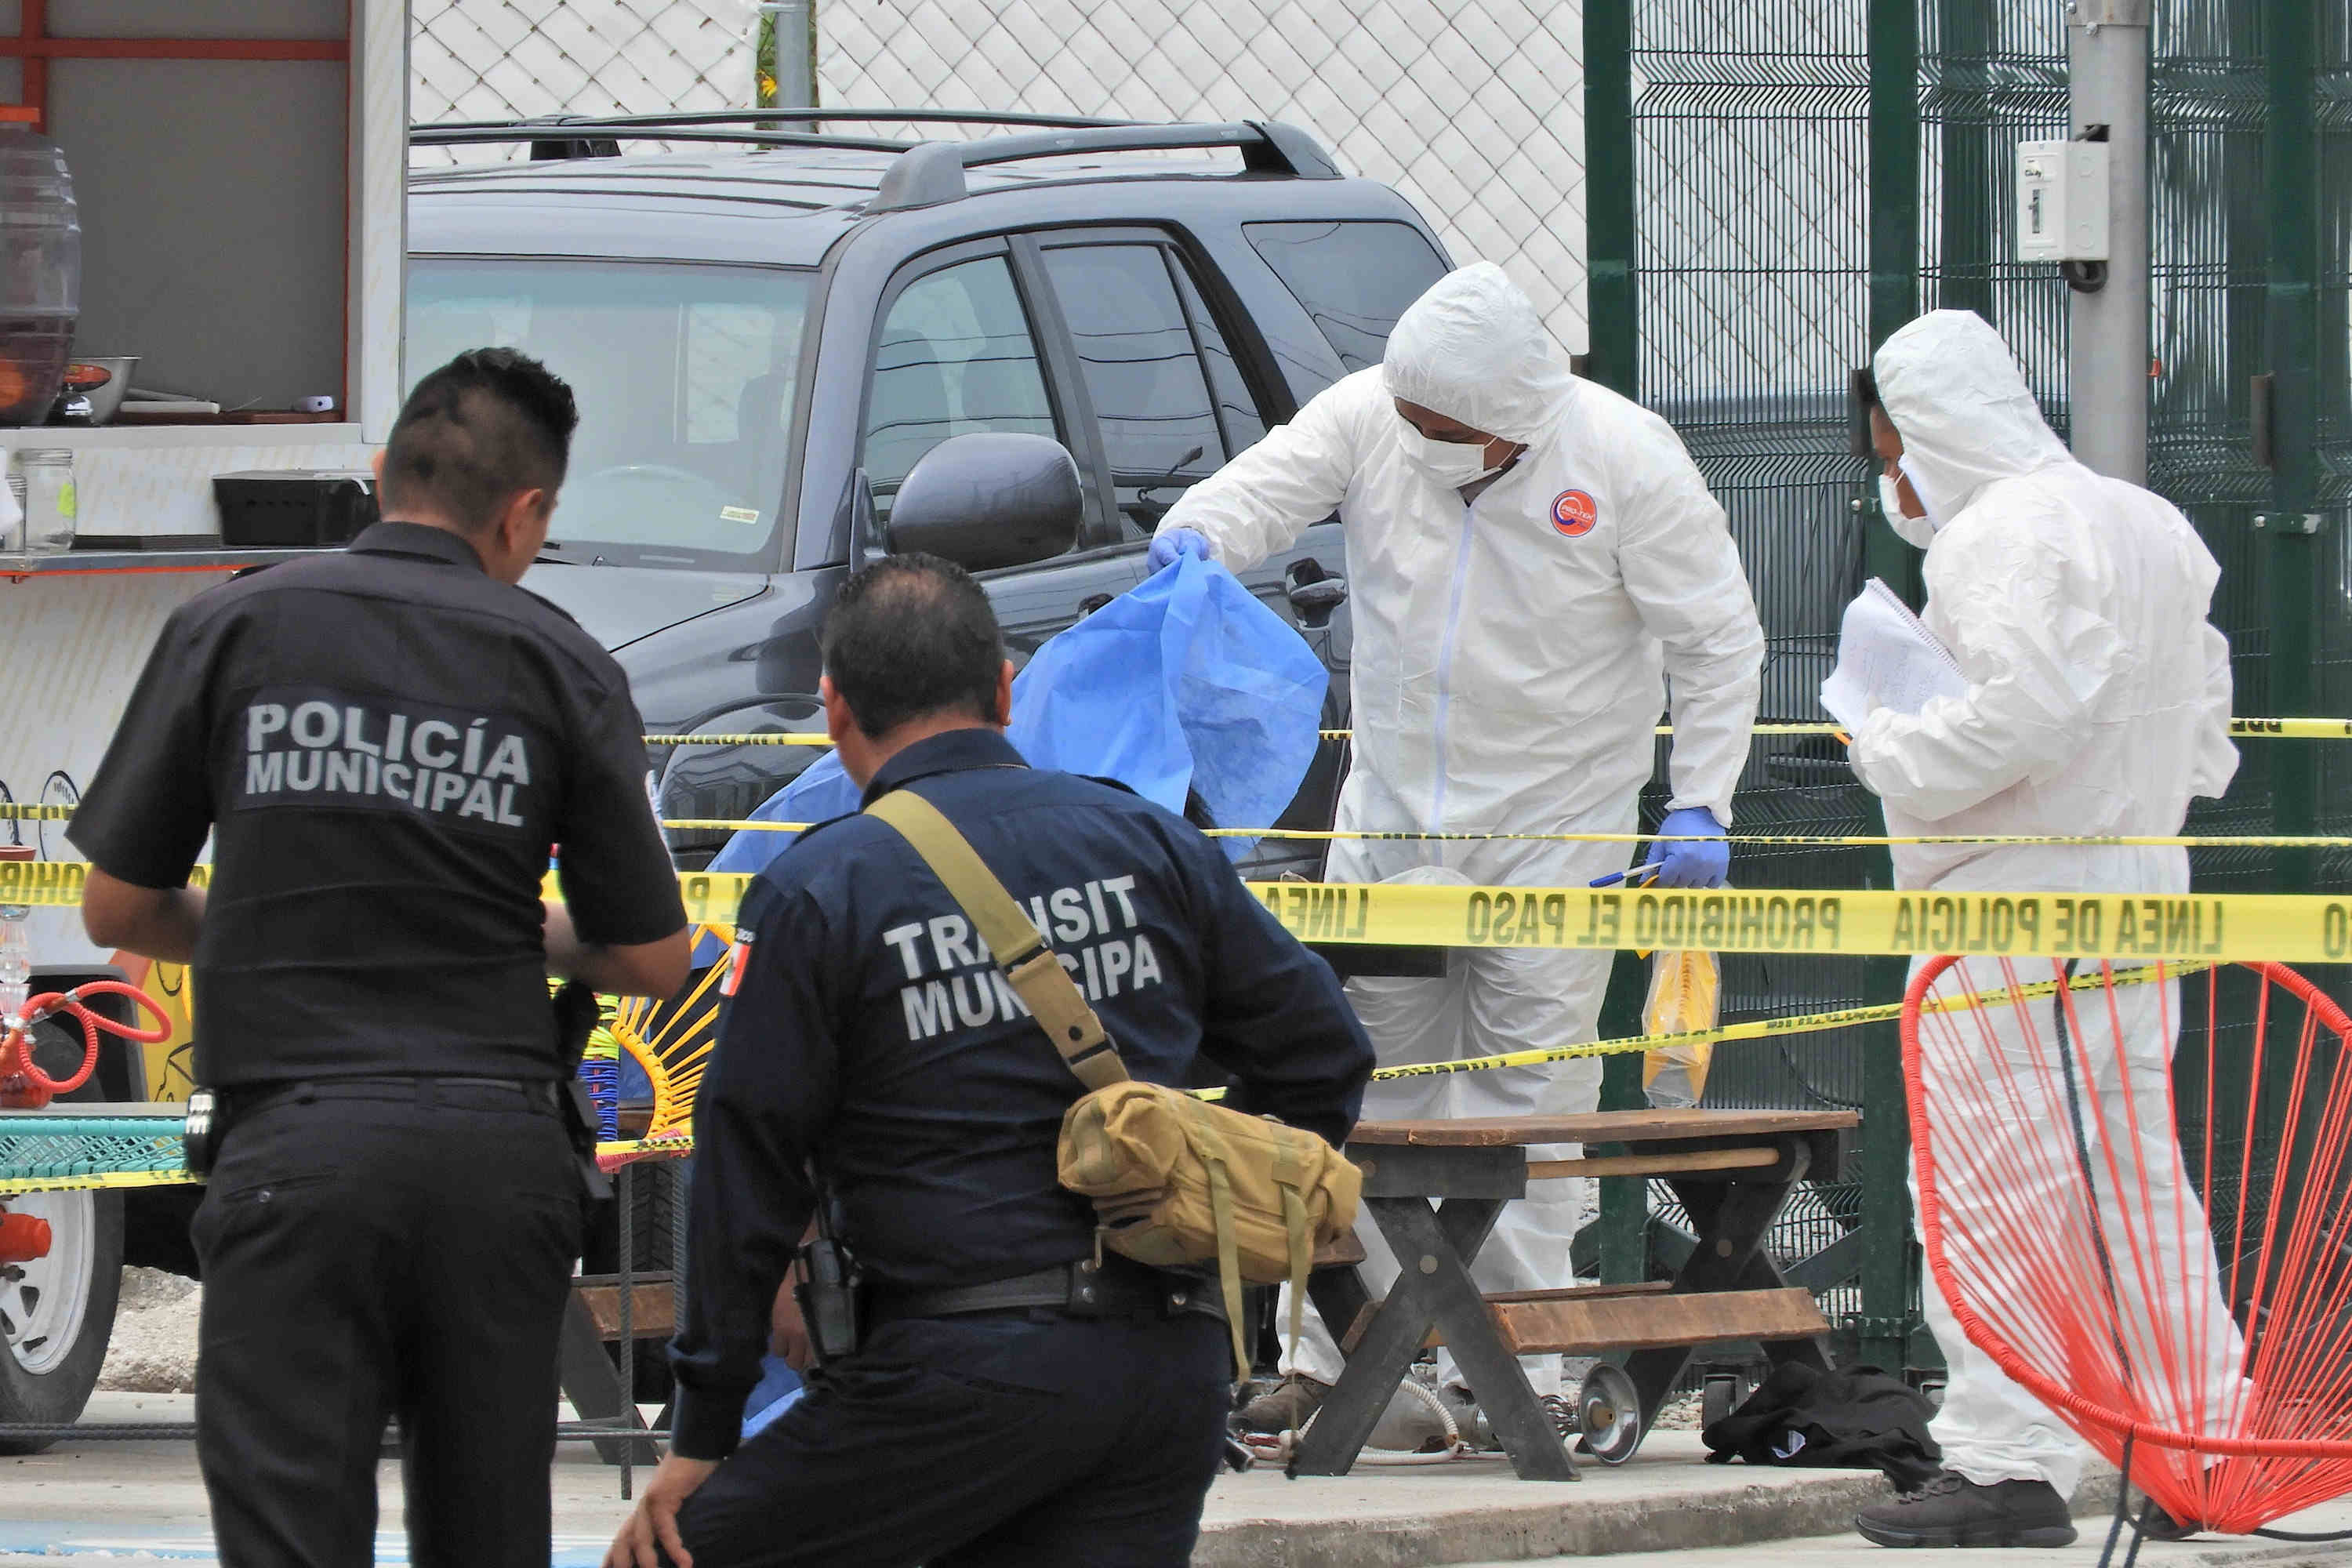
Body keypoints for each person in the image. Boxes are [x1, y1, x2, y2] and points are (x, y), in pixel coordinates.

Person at [605, 554, 1373, 1568]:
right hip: (1166, 1367)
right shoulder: (1150, 842)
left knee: (680, 1555)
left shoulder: (822, 887)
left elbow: (744, 1166)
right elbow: (1324, 1056)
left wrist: (703, 1431)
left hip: (948, 1368)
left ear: (833, 711)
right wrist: (1200, 1191)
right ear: (1008, 688)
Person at [69, 348, 691, 1566]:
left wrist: (257, 926)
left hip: (292, 1156)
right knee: (484, 1536)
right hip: (493, 1164)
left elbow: (114, 909)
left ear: (378, 476)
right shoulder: (562, 661)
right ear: (527, 512)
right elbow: (655, 954)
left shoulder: (232, 625)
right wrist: (516, 933)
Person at [1149, 261, 1764, 1428]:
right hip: (1391, 826)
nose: (1422, 440)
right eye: (1413, 420)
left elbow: (1719, 642)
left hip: (1558, 833)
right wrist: (1195, 543)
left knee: (1529, 1098)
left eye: (1448, 428)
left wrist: (1703, 800)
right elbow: (1261, 488)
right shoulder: (1370, 414)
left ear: (1519, 417)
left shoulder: (1628, 460)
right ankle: (1338, 1366)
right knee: (1362, 1089)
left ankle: (1515, 1371)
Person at [1845, 310, 2242, 1548]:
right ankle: (2200, 1451)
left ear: (1930, 433)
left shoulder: (1996, 536)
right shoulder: (2151, 524)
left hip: (2003, 900)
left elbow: (2022, 718)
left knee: (1986, 1184)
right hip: (2134, 886)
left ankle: (2010, 1462)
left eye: (1890, 448)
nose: (1891, 476)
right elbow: (2209, 734)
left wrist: (1882, 746)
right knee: (2136, 1179)